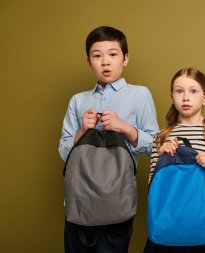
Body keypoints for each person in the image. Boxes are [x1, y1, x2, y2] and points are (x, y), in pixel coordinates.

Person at [58, 26, 159, 253]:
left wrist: (126, 129)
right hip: (80, 202)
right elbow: (64, 152)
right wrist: (83, 131)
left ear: (125, 59)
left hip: (117, 201)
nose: (105, 62)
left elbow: (155, 146)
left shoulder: (140, 94)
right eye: (97, 55)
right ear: (89, 61)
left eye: (113, 54)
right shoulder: (78, 101)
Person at [144, 67, 205, 253]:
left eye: (193, 91)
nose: (186, 97)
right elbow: (151, 188)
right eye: (179, 91)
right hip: (166, 225)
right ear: (172, 97)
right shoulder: (161, 136)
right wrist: (162, 158)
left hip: (199, 226)